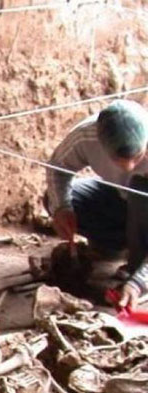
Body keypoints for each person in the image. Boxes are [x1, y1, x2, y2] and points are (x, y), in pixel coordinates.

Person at [46, 99, 148, 308]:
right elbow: (57, 167)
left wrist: (140, 281)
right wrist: (62, 208)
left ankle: (136, 266)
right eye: (118, 159)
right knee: (56, 199)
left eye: (137, 158)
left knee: (139, 186)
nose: (128, 168)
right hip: (118, 199)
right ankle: (114, 245)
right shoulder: (87, 135)